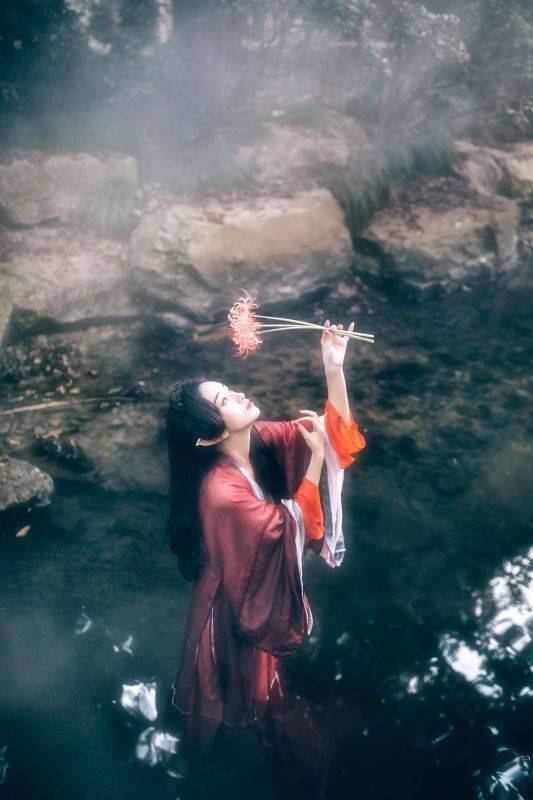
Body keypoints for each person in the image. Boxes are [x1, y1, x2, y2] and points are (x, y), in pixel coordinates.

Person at [165, 320, 366, 788]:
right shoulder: (220, 491)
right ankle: (230, 772)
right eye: (224, 401)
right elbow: (286, 528)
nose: (238, 394)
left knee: (256, 687)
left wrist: (333, 368)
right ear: (209, 436)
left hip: (252, 584)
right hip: (230, 605)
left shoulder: (258, 440)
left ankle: (257, 753)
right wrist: (314, 465)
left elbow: (333, 439)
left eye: (228, 389)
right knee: (233, 695)